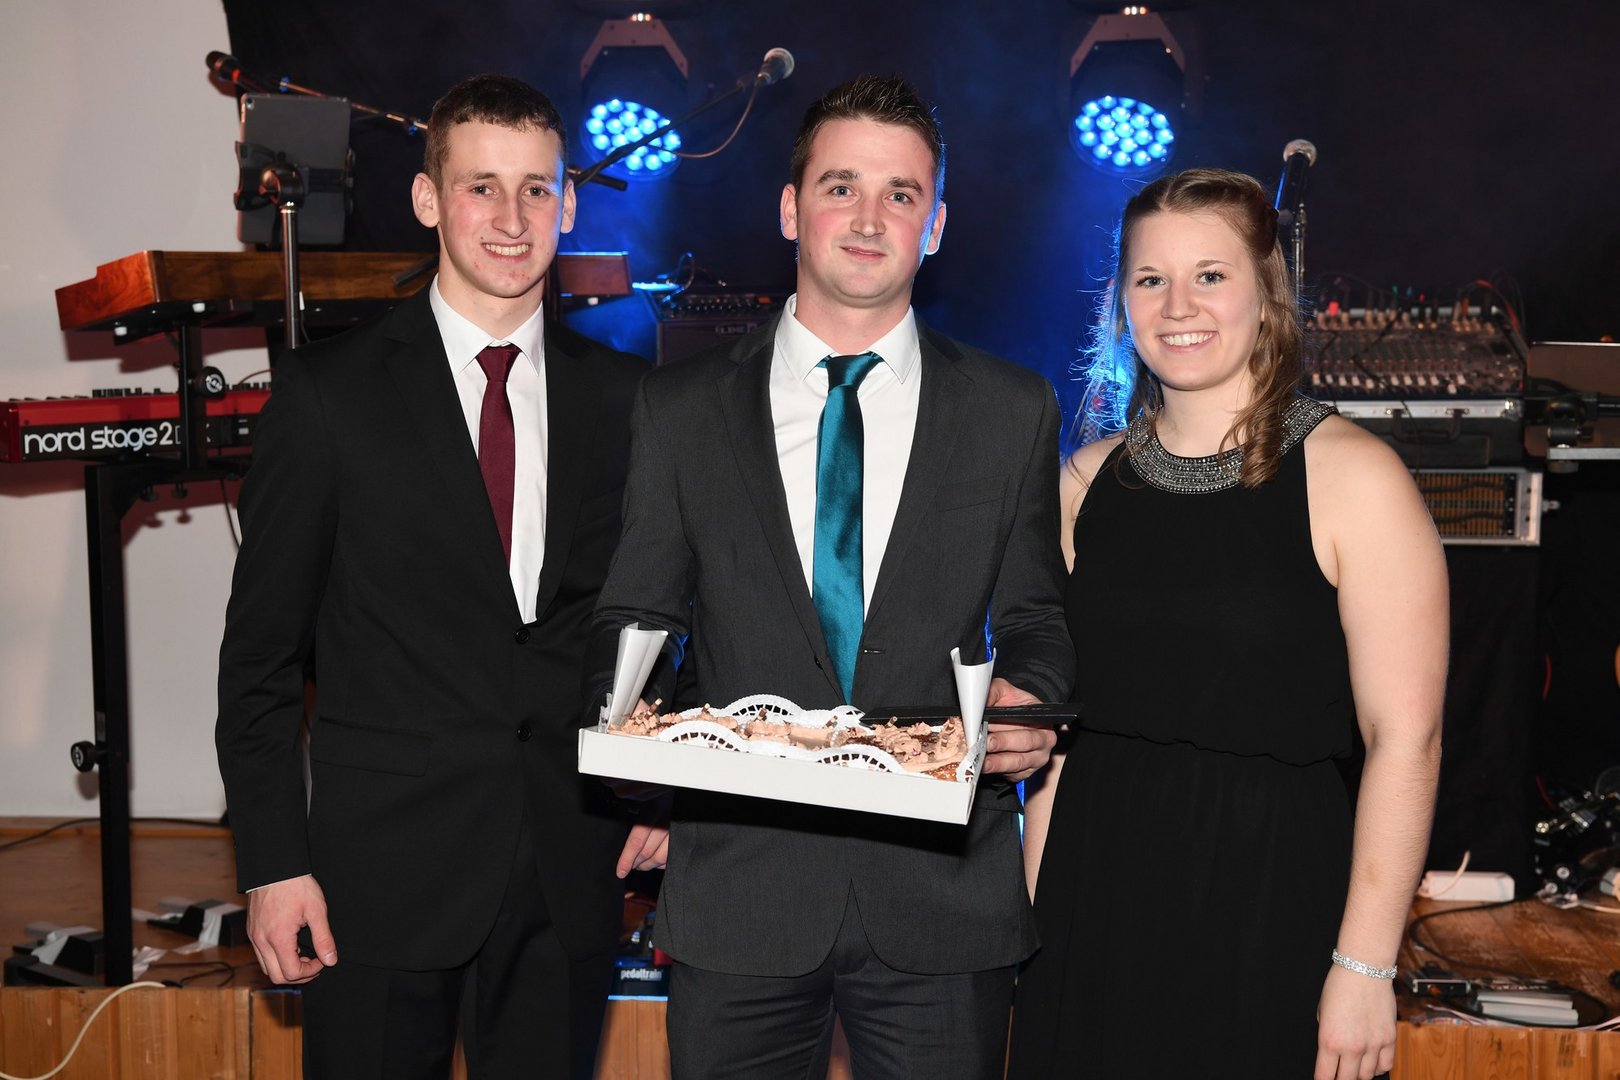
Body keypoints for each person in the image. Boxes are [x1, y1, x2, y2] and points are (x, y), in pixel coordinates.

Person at [584, 74, 1074, 1079]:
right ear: (789, 208)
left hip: (944, 898)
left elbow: (1036, 617)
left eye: (901, 193)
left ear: (935, 226)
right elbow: (634, 617)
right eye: (841, 186)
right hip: (740, 891)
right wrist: (637, 747)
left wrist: (1031, 694)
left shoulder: (1011, 409)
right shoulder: (679, 408)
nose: (868, 217)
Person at [215, 74, 648, 1080]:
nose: (511, 218)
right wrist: (273, 863)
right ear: (426, 199)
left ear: (569, 206)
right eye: (480, 187)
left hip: (567, 869)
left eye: (536, 189)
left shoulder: (631, 400)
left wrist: (663, 796)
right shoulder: (326, 399)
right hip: (378, 878)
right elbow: (261, 660)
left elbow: (654, 622)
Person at [1008, 167, 1447, 1080]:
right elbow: (1056, 746)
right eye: (1151, 278)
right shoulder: (1082, 483)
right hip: (1097, 896)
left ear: (1266, 291)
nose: (1179, 305)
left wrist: (1366, 966)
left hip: (1271, 897)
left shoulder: (1355, 478)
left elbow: (1407, 741)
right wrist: (1030, 925)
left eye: (1210, 275)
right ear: (1121, 302)